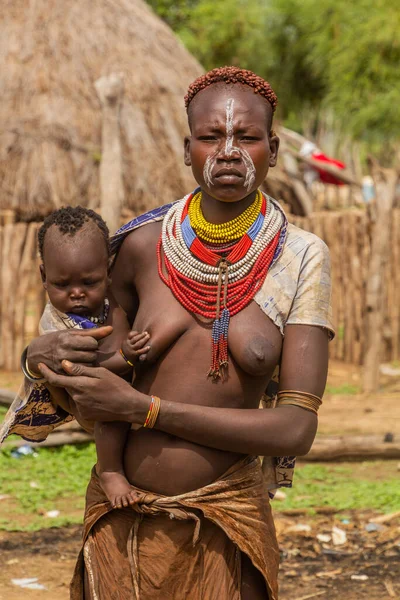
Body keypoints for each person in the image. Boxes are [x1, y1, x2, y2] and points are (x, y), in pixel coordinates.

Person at [25, 67, 334, 600]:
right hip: (121, 524)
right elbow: (77, 376)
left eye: (248, 137)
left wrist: (146, 410)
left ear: (275, 148)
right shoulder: (137, 246)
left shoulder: (299, 256)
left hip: (226, 526)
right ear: (186, 147)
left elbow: (295, 430)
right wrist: (38, 356)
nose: (229, 151)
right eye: (212, 137)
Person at [3, 206, 152, 509]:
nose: (76, 294)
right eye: (62, 285)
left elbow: (117, 346)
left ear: (108, 271)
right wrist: (126, 356)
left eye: (89, 283)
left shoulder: (112, 307)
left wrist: (125, 351)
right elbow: (89, 371)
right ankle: (109, 470)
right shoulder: (54, 325)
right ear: (44, 275)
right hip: (86, 397)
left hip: (127, 397)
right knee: (108, 415)